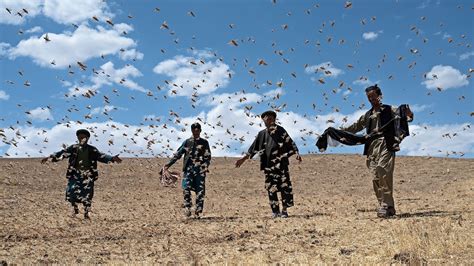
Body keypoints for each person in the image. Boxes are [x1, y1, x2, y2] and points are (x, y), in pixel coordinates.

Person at [341, 84, 413, 218]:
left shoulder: (390, 109)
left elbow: (405, 116)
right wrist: (340, 130)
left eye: (373, 96)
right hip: (371, 148)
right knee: (375, 177)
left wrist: (409, 114)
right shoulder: (367, 115)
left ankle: (386, 205)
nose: (371, 99)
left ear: (379, 96)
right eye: (369, 97)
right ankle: (386, 206)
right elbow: (355, 127)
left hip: (386, 144)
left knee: (383, 170)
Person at [41, 129, 122, 219]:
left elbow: (101, 156)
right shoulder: (73, 148)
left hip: (88, 175)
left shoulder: (92, 149)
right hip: (75, 174)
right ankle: (75, 209)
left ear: (87, 138)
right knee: (71, 191)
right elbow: (62, 153)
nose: (82, 139)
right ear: (78, 138)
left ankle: (86, 214)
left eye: (84, 137)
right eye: (80, 137)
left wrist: (112, 158)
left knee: (87, 194)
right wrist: (49, 157)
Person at [235, 110, 302, 218]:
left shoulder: (281, 131)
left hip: (281, 164)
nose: (269, 120)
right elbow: (253, 148)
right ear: (264, 120)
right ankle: (275, 211)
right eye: (267, 118)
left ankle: (284, 210)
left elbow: (291, 143)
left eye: (271, 118)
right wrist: (243, 159)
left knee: (285, 187)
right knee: (271, 188)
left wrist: (297, 153)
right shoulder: (262, 134)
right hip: (268, 166)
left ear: (274, 120)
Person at [163, 122, 211, 218]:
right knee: (186, 189)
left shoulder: (204, 142)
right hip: (188, 170)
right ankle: (188, 208)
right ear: (192, 131)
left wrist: (205, 166)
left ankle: (197, 212)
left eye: (197, 130)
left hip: (199, 171)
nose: (196, 132)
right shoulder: (187, 142)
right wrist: (168, 165)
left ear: (200, 131)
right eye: (194, 130)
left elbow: (208, 157)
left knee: (200, 191)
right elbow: (178, 154)